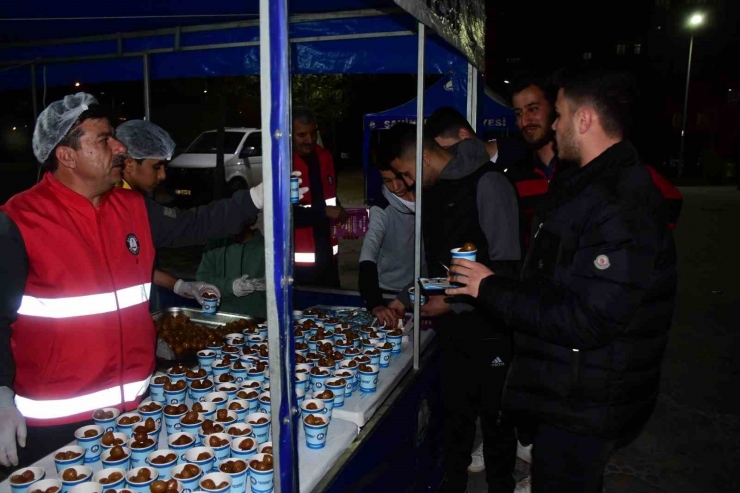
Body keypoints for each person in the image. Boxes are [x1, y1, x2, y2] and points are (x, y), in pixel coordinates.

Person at [0, 93, 267, 469]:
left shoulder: (131, 206)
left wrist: (255, 197)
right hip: (58, 426)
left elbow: (194, 224)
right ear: (67, 155)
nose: (120, 146)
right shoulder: (19, 220)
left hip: (134, 412)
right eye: (104, 139)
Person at [447, 69, 679, 492]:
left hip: (588, 400)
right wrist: (492, 277)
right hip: (571, 391)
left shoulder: (621, 199)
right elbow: (553, 274)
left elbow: (588, 318)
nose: (554, 125)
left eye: (561, 115)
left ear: (584, 120)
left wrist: (490, 287)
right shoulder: (588, 183)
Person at [382, 123, 520, 493]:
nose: (406, 185)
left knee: (496, 427)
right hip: (453, 334)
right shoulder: (433, 193)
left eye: (407, 174)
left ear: (424, 156)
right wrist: (406, 296)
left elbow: (506, 270)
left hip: (491, 331)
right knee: (455, 422)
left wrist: (453, 303)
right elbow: (437, 270)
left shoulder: (488, 184)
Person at [115, 119, 221, 306]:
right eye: (156, 167)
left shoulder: (133, 199)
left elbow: (135, 265)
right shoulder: (117, 206)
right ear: (130, 163)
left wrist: (179, 285)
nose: (163, 175)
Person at [292, 107, 347, 288]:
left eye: (313, 133)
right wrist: (324, 212)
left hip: (328, 257)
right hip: (300, 266)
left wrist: (342, 215)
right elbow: (282, 216)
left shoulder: (325, 157)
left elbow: (330, 197)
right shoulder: (282, 163)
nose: (309, 140)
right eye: (302, 135)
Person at [358, 162, 416, 327]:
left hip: (423, 288)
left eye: (400, 177)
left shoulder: (429, 196)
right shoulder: (381, 209)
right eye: (387, 181)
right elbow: (368, 252)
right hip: (391, 293)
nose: (396, 186)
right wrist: (375, 303)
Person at [196, 218, 267, 319]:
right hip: (219, 318)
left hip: (256, 320)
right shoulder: (215, 245)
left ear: (251, 220)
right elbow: (201, 280)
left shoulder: (267, 247)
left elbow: (283, 287)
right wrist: (231, 286)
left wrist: (269, 285)